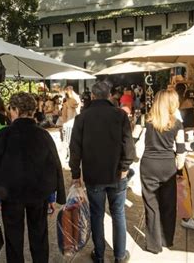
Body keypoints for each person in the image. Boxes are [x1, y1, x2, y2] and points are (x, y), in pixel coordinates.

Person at [0, 92, 66, 263]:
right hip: (38, 194)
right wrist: (52, 196)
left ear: (16, 110)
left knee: (13, 238)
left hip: (11, 195)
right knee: (39, 234)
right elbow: (54, 166)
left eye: (11, 109)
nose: (10, 113)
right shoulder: (43, 135)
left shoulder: (3, 135)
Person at [69, 81, 135, 263]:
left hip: (94, 175)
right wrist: (125, 167)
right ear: (108, 96)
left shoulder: (82, 118)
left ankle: (99, 255)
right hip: (117, 174)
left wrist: (75, 174)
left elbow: (75, 149)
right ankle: (119, 255)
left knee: (97, 215)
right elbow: (128, 145)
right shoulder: (120, 115)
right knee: (118, 214)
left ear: (92, 96)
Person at [140, 89, 186, 254]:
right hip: (167, 166)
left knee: (151, 205)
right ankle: (167, 238)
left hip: (148, 165)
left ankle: (153, 244)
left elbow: (135, 138)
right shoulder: (177, 124)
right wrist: (178, 167)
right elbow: (181, 151)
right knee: (168, 204)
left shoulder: (147, 121)